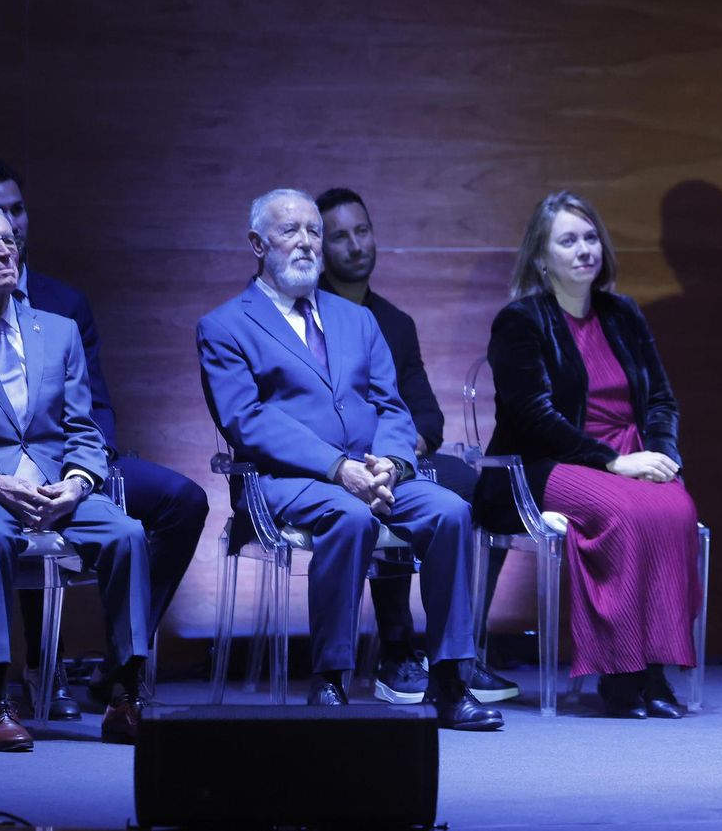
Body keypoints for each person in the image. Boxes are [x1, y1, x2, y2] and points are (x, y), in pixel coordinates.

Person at [196, 188, 501, 730]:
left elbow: (391, 404)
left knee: (450, 511)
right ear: (257, 243)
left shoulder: (356, 320)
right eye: (291, 231)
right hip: (284, 480)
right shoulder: (224, 325)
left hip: (371, 471)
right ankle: (330, 680)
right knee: (350, 515)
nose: (307, 242)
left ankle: (451, 682)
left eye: (314, 231)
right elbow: (247, 420)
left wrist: (389, 462)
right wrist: (339, 469)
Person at [0, 161, 208, 718]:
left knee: (124, 532)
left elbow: (84, 424)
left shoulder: (60, 328)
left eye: (10, 240)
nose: (7, 251)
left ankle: (126, 693)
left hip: (57, 485)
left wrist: (78, 483)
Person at [474, 192, 701, 719]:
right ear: (540, 257)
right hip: (544, 463)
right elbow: (533, 417)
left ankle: (655, 671)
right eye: (568, 240)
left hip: (629, 454)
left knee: (676, 508)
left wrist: (662, 456)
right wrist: (612, 462)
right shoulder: (520, 321)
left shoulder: (623, 314)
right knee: (624, 511)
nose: (584, 250)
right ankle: (621, 673)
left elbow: (662, 399)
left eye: (591, 237)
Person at [315, 186, 518, 706]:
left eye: (363, 231)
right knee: (380, 500)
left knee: (475, 485)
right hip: (333, 467)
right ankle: (397, 650)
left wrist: (398, 451)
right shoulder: (306, 317)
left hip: (396, 457)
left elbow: (427, 412)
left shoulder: (395, 323)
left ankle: (460, 654)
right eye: (340, 236)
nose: (356, 245)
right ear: (320, 247)